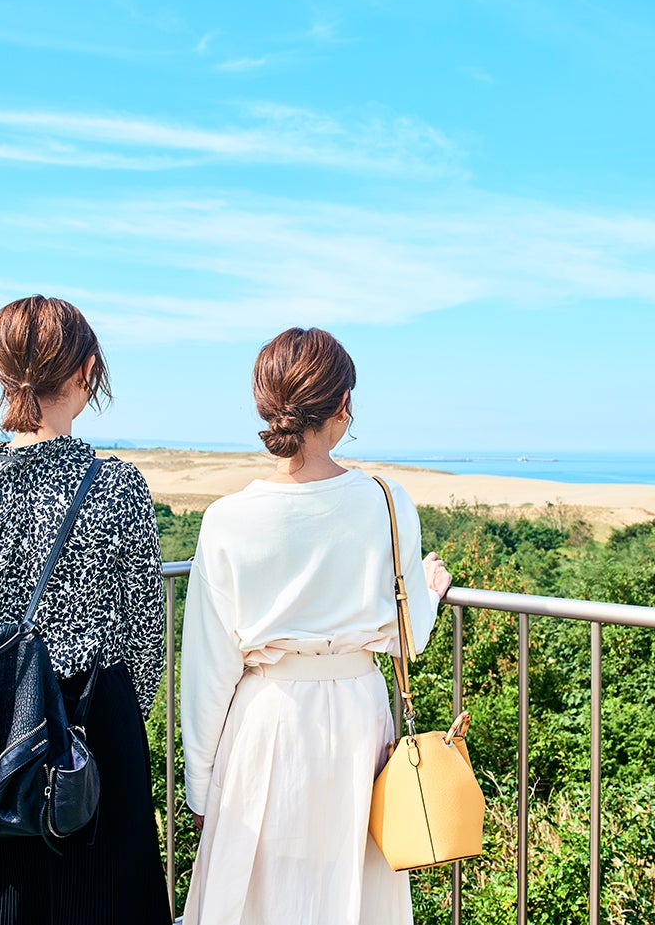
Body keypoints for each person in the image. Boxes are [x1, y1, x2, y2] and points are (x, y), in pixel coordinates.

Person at [180, 327, 453, 925]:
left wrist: (201, 786)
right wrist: (430, 592)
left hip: (266, 720)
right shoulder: (387, 501)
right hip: (358, 717)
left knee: (259, 897)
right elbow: (409, 635)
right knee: (348, 893)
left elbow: (208, 670)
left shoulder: (227, 518)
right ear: (342, 405)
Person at [0, 295, 171, 925]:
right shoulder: (116, 484)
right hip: (92, 723)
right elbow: (145, 634)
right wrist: (119, 718)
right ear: (87, 370)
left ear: (2, 371)